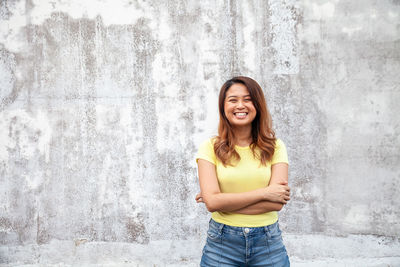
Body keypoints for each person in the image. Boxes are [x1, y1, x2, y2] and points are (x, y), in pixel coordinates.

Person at [195, 76, 291, 266]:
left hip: (269, 244)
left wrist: (223, 201)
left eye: (247, 99)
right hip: (221, 245)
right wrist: (265, 193)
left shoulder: (275, 147)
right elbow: (212, 203)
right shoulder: (209, 147)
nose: (240, 105)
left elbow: (276, 204)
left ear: (258, 104)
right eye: (233, 100)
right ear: (223, 107)